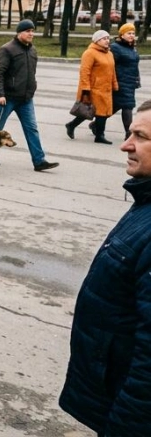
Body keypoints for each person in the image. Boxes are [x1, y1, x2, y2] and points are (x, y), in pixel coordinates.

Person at [59, 99, 151, 435]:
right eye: (129, 134)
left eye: (140, 137)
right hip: (110, 387)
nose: (126, 145)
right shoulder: (145, 199)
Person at [0, 19, 59, 172]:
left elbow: (31, 73)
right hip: (7, 98)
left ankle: (39, 161)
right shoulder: (7, 49)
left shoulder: (32, 50)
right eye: (28, 31)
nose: (31, 34)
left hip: (26, 99)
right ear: (19, 32)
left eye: (32, 31)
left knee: (32, 128)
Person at [67, 30, 120, 144]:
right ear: (97, 40)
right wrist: (85, 89)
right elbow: (84, 72)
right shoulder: (89, 53)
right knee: (95, 112)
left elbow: (112, 71)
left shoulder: (109, 53)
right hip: (93, 89)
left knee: (101, 112)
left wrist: (115, 84)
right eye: (104, 38)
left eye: (108, 38)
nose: (107, 41)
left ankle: (72, 125)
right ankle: (99, 135)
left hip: (106, 88)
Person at [112, 22, 141, 139]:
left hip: (130, 81)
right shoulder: (115, 47)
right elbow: (110, 65)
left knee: (116, 106)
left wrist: (137, 79)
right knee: (127, 106)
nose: (131, 35)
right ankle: (129, 134)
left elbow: (134, 65)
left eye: (133, 33)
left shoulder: (132, 48)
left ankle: (94, 124)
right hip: (120, 81)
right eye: (129, 33)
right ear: (121, 35)